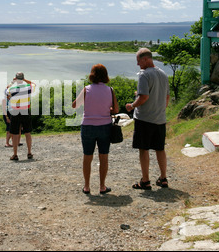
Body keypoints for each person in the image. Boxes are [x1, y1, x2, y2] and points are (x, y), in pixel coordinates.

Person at [125, 48, 170, 190]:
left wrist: (132, 106)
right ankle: (163, 178)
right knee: (159, 149)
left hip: (144, 118)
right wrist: (161, 108)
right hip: (160, 118)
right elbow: (166, 97)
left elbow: (144, 97)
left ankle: (145, 180)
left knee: (143, 149)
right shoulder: (163, 74)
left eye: (138, 61)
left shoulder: (144, 75)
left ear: (145, 59)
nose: (138, 64)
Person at [72, 64, 119, 195]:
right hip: (105, 126)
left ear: (92, 74)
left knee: (87, 156)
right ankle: (102, 186)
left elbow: (74, 105)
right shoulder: (110, 90)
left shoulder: (86, 89)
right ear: (105, 75)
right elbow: (115, 110)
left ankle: (86, 186)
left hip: (87, 126)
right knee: (103, 157)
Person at [7, 72, 36, 161]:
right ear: (23, 78)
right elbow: (34, 84)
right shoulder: (28, 87)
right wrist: (24, 80)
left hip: (15, 112)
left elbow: (7, 92)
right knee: (27, 133)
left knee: (15, 134)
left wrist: (12, 82)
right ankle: (29, 152)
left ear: (16, 78)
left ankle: (15, 154)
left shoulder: (12, 88)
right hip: (25, 110)